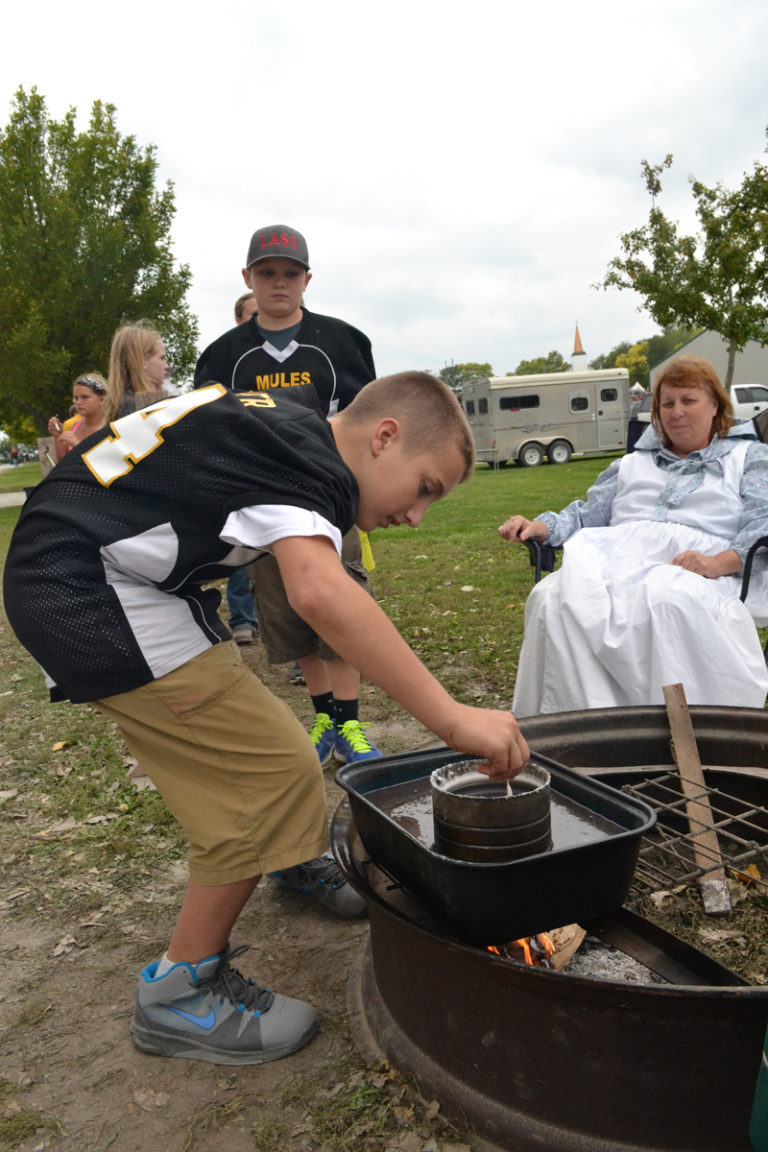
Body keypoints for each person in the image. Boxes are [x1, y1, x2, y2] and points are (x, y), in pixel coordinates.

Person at [3, 371, 530, 1067]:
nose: (417, 516)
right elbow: (319, 592)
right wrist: (453, 719)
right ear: (385, 436)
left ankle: (289, 855)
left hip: (105, 572)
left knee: (264, 755)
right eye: (426, 487)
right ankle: (180, 995)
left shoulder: (290, 423)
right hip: (85, 587)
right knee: (271, 774)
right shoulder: (309, 459)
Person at [194, 224, 382, 769]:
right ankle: (324, 714)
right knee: (288, 612)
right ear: (248, 278)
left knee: (342, 606)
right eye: (267, 272)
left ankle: (350, 721)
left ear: (307, 279)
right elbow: (213, 434)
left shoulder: (342, 342)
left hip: (328, 500)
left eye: (290, 273)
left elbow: (365, 427)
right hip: (263, 507)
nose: (279, 283)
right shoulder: (222, 355)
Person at [499, 354, 768, 716]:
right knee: (549, 599)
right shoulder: (630, 464)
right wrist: (539, 527)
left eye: (689, 400)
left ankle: (688, 733)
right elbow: (586, 514)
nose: (676, 412)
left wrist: (719, 563)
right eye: (667, 403)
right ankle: (573, 730)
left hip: (699, 566)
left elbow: (762, 521)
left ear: (716, 405)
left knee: (668, 598)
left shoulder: (747, 457)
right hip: (614, 562)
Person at [223, 292, 260, 646]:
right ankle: (243, 618)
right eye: (252, 316)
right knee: (240, 543)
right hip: (240, 463)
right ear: (239, 321)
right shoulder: (227, 360)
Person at [108, 322, 173, 417]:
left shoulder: (128, 401)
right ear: (143, 362)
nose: (166, 366)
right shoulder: (132, 406)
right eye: (162, 358)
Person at [47, 373, 113, 460]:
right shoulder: (75, 426)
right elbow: (64, 462)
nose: (78, 402)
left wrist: (77, 444)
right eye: (76, 398)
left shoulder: (109, 427)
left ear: (102, 400)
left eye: (84, 397)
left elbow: (105, 464)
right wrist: (58, 436)